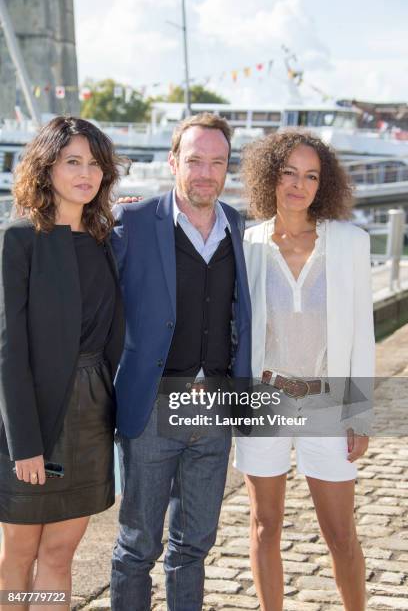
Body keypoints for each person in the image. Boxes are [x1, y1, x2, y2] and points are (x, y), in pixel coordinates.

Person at [110, 112, 252, 611]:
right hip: (151, 408)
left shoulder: (236, 224)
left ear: (228, 168)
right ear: (173, 162)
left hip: (214, 409)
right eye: (194, 160)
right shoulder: (129, 222)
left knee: (194, 545)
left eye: (217, 162)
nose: (205, 173)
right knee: (137, 547)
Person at [234, 130, 375, 611]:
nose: (299, 184)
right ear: (269, 176)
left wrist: (360, 414)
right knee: (263, 524)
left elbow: (361, 332)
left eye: (311, 175)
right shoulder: (246, 243)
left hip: (327, 403)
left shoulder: (350, 243)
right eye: (289, 172)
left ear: (324, 183)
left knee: (340, 534)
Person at [0, 116, 125, 610]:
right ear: (46, 166)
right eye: (73, 161)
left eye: (95, 164)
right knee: (18, 554)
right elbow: (8, 351)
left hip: (92, 415)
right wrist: (24, 444)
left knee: (60, 552)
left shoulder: (104, 240)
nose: (86, 173)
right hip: (32, 418)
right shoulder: (19, 239)